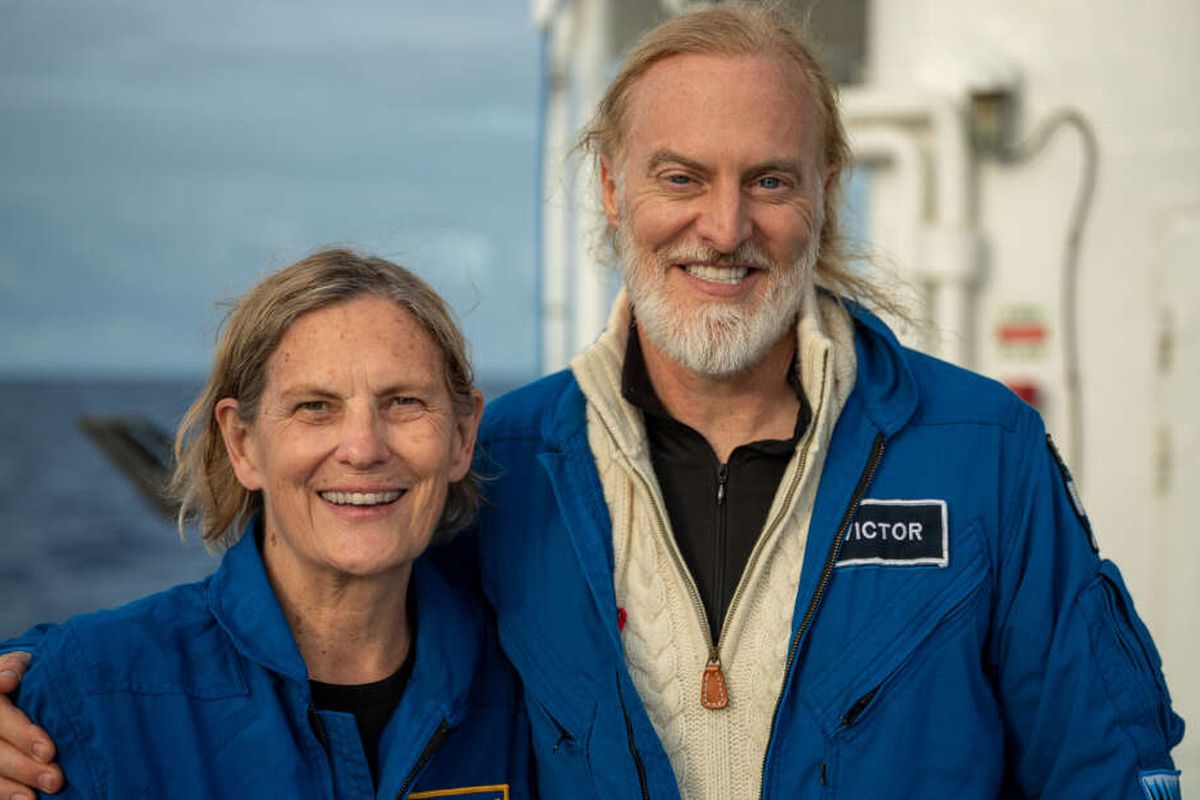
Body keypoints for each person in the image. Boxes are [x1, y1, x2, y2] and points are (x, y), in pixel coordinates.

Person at [0, 4, 1185, 799]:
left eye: (769, 180)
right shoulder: (505, 463)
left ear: (827, 191)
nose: (725, 227)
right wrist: (34, 692)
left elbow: (1107, 758)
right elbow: (318, 652)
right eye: (681, 177)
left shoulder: (980, 451)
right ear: (614, 189)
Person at [0, 249, 530, 799]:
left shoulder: (536, 689)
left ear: (463, 437)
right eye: (315, 407)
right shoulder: (80, 700)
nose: (364, 447)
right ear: (242, 444)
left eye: (403, 401)